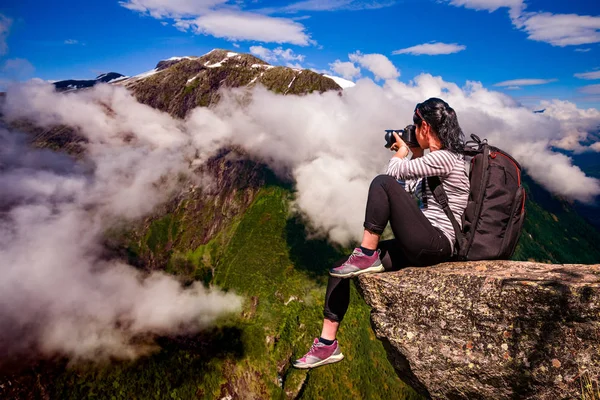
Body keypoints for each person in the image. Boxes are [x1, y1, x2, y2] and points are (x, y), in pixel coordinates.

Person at [293, 97, 470, 369]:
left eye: (414, 125)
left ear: (424, 126)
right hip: (423, 242)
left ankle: (366, 252)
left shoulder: (446, 158)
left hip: (438, 243)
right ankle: (327, 344)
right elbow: (404, 189)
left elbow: (391, 177)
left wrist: (402, 154)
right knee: (340, 267)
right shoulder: (435, 162)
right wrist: (413, 153)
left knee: (381, 182)